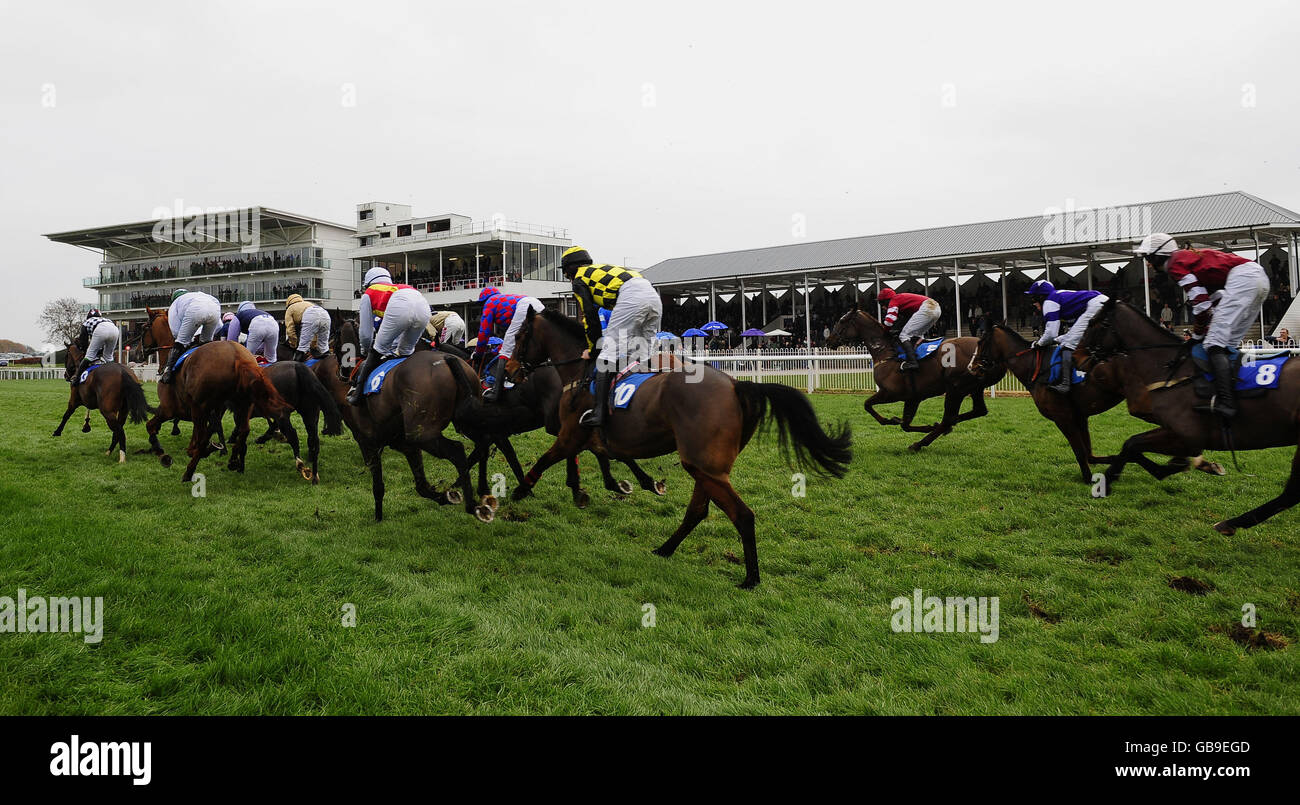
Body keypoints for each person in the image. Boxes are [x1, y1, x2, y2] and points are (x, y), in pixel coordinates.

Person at [1135, 233, 1271, 419]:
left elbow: (1201, 306)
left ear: (1158, 255)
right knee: (1226, 344)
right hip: (1258, 278)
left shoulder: (1175, 264)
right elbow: (1214, 300)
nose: (1148, 264)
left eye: (1148, 258)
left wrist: (1197, 336)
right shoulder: (1186, 259)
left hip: (1243, 279)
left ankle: (1227, 403)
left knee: (1213, 344)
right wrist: (1202, 332)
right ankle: (1238, 394)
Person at [561, 246, 662, 427]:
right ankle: (645, 403)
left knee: (607, 355)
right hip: (652, 295)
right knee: (642, 355)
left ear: (569, 269)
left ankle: (599, 413)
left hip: (631, 296)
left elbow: (590, 317)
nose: (568, 278)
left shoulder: (579, 279)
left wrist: (593, 350)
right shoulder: (600, 270)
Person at [347, 268, 431, 405]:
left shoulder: (369, 292)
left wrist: (365, 351)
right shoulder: (397, 287)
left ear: (368, 283)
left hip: (400, 305)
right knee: (405, 352)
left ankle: (358, 395)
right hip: (422, 304)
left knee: (378, 350)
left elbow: (366, 333)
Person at [1023, 280, 1108, 393]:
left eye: (1033, 299)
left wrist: (1039, 343)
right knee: (1077, 341)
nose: (1033, 303)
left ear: (1041, 297)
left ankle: (1065, 384)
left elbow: (1051, 334)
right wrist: (1058, 339)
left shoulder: (1049, 302)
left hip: (1095, 305)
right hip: (1102, 302)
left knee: (1068, 345)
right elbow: (1071, 332)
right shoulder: (1060, 299)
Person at [475, 287, 544, 403]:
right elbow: (512, 339)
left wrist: (478, 353)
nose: (483, 306)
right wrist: (496, 350)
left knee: (506, 351)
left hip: (524, 307)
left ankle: (496, 392)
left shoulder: (490, 302)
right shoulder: (503, 302)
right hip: (538, 304)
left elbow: (484, 333)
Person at [160, 288, 221, 383]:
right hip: (215, 309)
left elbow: (175, 331)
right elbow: (219, 326)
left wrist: (186, 340)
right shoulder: (197, 295)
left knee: (180, 342)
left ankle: (168, 372)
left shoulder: (175, 303)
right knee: (206, 343)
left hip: (195, 310)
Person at [876, 287, 940, 371]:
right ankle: (917, 357)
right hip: (935, 308)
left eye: (882, 304)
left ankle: (912, 362)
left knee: (903, 336)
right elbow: (906, 321)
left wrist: (885, 332)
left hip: (927, 308)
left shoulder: (894, 300)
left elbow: (889, 321)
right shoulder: (902, 301)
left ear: (886, 300)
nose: (883, 307)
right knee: (916, 335)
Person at [72, 309, 118, 385]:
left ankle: (77, 380)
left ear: (88, 317)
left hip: (100, 330)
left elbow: (83, 341)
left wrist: (85, 351)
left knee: (89, 356)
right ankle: (115, 375)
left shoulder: (86, 323)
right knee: (109, 357)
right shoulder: (106, 319)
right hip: (115, 329)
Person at [285, 293, 332, 362]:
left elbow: (290, 330)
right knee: (323, 347)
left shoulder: (290, 308)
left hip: (310, 315)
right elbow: (314, 332)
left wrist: (293, 344)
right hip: (325, 314)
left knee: (302, 348)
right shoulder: (309, 303)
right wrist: (313, 345)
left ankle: (296, 366)